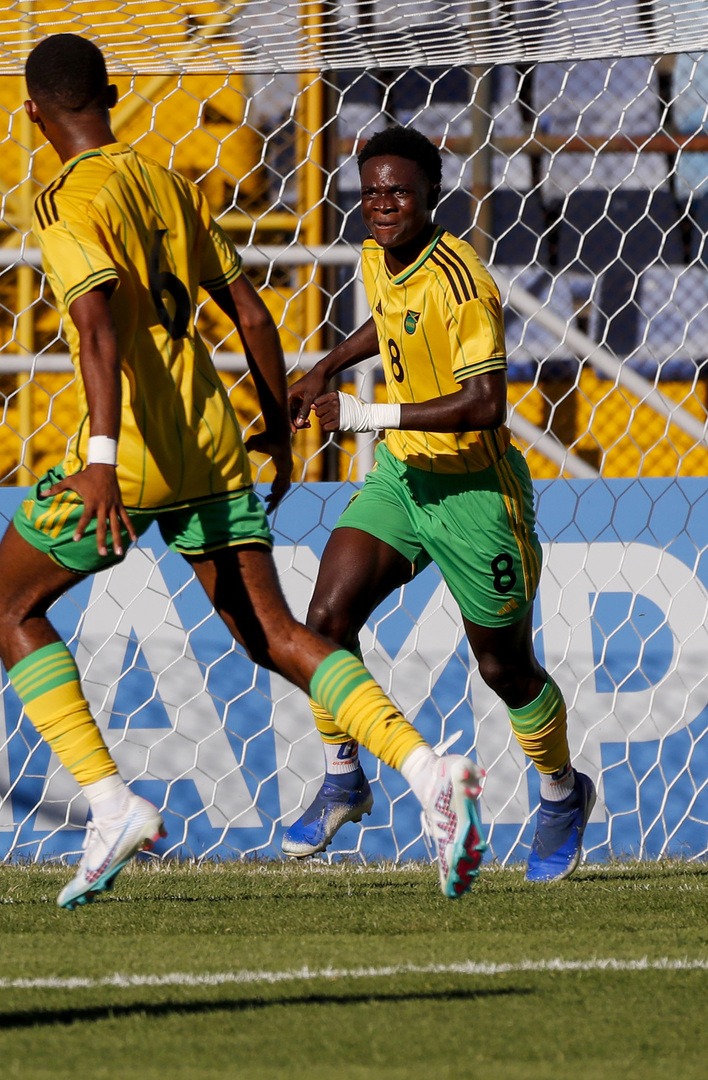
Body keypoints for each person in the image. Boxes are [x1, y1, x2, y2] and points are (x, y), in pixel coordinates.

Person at [0, 34, 488, 908]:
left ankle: (109, 802)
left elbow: (97, 327)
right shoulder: (169, 184)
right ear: (111, 92)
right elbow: (249, 310)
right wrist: (277, 430)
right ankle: (427, 768)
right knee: (271, 635)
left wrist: (100, 461)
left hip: (133, 445)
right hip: (212, 440)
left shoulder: (63, 201)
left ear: (32, 113)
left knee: (8, 605)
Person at [284, 125, 591, 881]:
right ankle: (343, 776)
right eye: (372, 190)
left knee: (504, 668)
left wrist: (361, 416)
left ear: (431, 198)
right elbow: (388, 321)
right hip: (402, 478)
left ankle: (560, 793)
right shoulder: (374, 253)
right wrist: (325, 366)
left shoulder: (464, 283)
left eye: (399, 192)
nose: (383, 204)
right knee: (324, 622)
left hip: (476, 494)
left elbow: (487, 404)